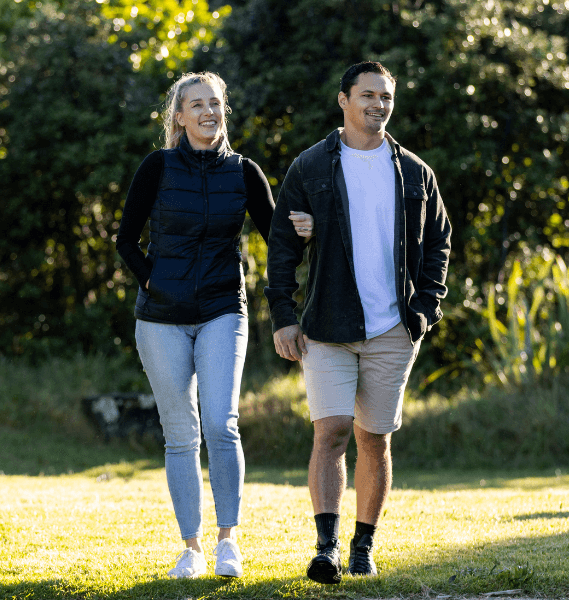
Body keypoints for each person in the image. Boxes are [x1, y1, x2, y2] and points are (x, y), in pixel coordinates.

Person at [116, 71, 313, 579]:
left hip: (224, 309)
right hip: (160, 319)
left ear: (224, 111)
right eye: (196, 105)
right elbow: (125, 241)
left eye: (215, 104)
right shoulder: (156, 167)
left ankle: (229, 541)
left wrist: (310, 228)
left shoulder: (245, 172)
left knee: (222, 424)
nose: (208, 112)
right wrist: (153, 284)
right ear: (179, 116)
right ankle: (192, 548)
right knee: (181, 434)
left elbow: (280, 242)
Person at [264, 61, 451, 584]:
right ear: (343, 99)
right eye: (368, 94)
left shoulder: (414, 172)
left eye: (386, 97)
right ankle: (325, 548)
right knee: (331, 433)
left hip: (394, 329)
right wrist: (283, 315)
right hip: (326, 325)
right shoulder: (311, 167)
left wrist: (425, 308)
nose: (378, 104)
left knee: (375, 439)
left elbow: (439, 242)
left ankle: (363, 545)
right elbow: (281, 246)